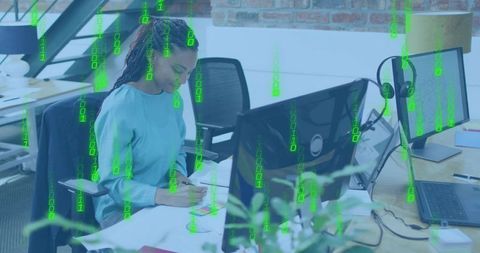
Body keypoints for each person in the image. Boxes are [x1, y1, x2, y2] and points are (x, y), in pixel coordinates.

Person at [93, 17, 207, 230]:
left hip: (163, 201)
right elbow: (113, 184)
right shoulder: (121, 107)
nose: (183, 81)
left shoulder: (172, 99)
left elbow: (178, 149)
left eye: (189, 73)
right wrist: (163, 196)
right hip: (123, 213)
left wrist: (178, 175)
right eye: (177, 70)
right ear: (153, 57)